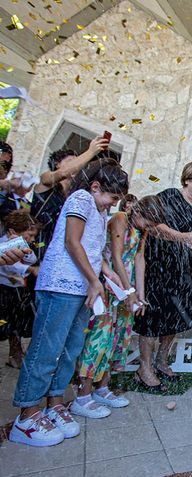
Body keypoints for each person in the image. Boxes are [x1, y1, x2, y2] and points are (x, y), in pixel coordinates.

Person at [9, 158, 128, 447]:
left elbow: (92, 251)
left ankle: (55, 403)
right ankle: (27, 414)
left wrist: (108, 276)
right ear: (97, 186)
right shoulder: (81, 198)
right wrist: (94, 281)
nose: (112, 205)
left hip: (82, 288)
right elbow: (71, 243)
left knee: (71, 349)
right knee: (46, 348)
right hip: (61, 284)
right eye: (112, 197)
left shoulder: (99, 211)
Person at [74, 196, 164, 415]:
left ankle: (102, 387)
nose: (150, 227)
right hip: (109, 285)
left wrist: (140, 294)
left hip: (126, 290)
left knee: (118, 338)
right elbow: (115, 255)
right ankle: (82, 395)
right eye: (149, 222)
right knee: (100, 338)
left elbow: (139, 259)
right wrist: (128, 290)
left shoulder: (142, 229)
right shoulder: (121, 218)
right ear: (140, 211)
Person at [134, 162, 192, 390]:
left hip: (184, 271)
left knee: (175, 318)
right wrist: (181, 237)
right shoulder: (169, 196)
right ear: (188, 178)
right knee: (153, 319)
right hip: (161, 266)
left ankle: (162, 360)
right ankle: (145, 368)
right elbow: (152, 224)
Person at [31, 137, 109, 259]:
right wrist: (91, 152)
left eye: (78, 162)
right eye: (71, 161)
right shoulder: (46, 180)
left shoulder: (76, 196)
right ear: (57, 164)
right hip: (31, 249)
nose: (77, 166)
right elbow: (63, 173)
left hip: (54, 256)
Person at [0, 210, 40, 369]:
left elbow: (32, 258)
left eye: (33, 237)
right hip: (3, 287)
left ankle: (15, 353)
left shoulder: (24, 246)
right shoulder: (4, 244)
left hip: (16, 289)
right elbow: (10, 264)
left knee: (16, 323)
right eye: (28, 236)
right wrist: (30, 269)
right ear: (12, 232)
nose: (31, 240)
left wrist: (27, 250)